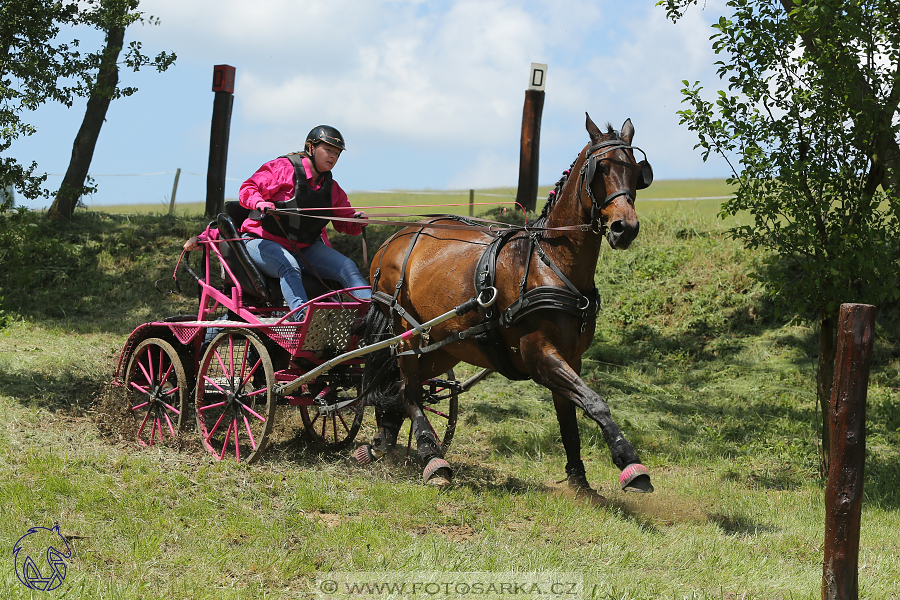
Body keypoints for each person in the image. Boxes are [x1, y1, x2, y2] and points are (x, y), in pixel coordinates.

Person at [184, 125, 371, 320]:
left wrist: (356, 221)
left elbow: (345, 223)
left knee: (346, 266)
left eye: (337, 153)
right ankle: (303, 319)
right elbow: (248, 188)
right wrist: (259, 202)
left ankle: (372, 316)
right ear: (311, 148)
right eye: (328, 150)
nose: (333, 157)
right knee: (288, 264)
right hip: (259, 242)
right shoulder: (282, 169)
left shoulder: (332, 189)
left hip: (304, 249)